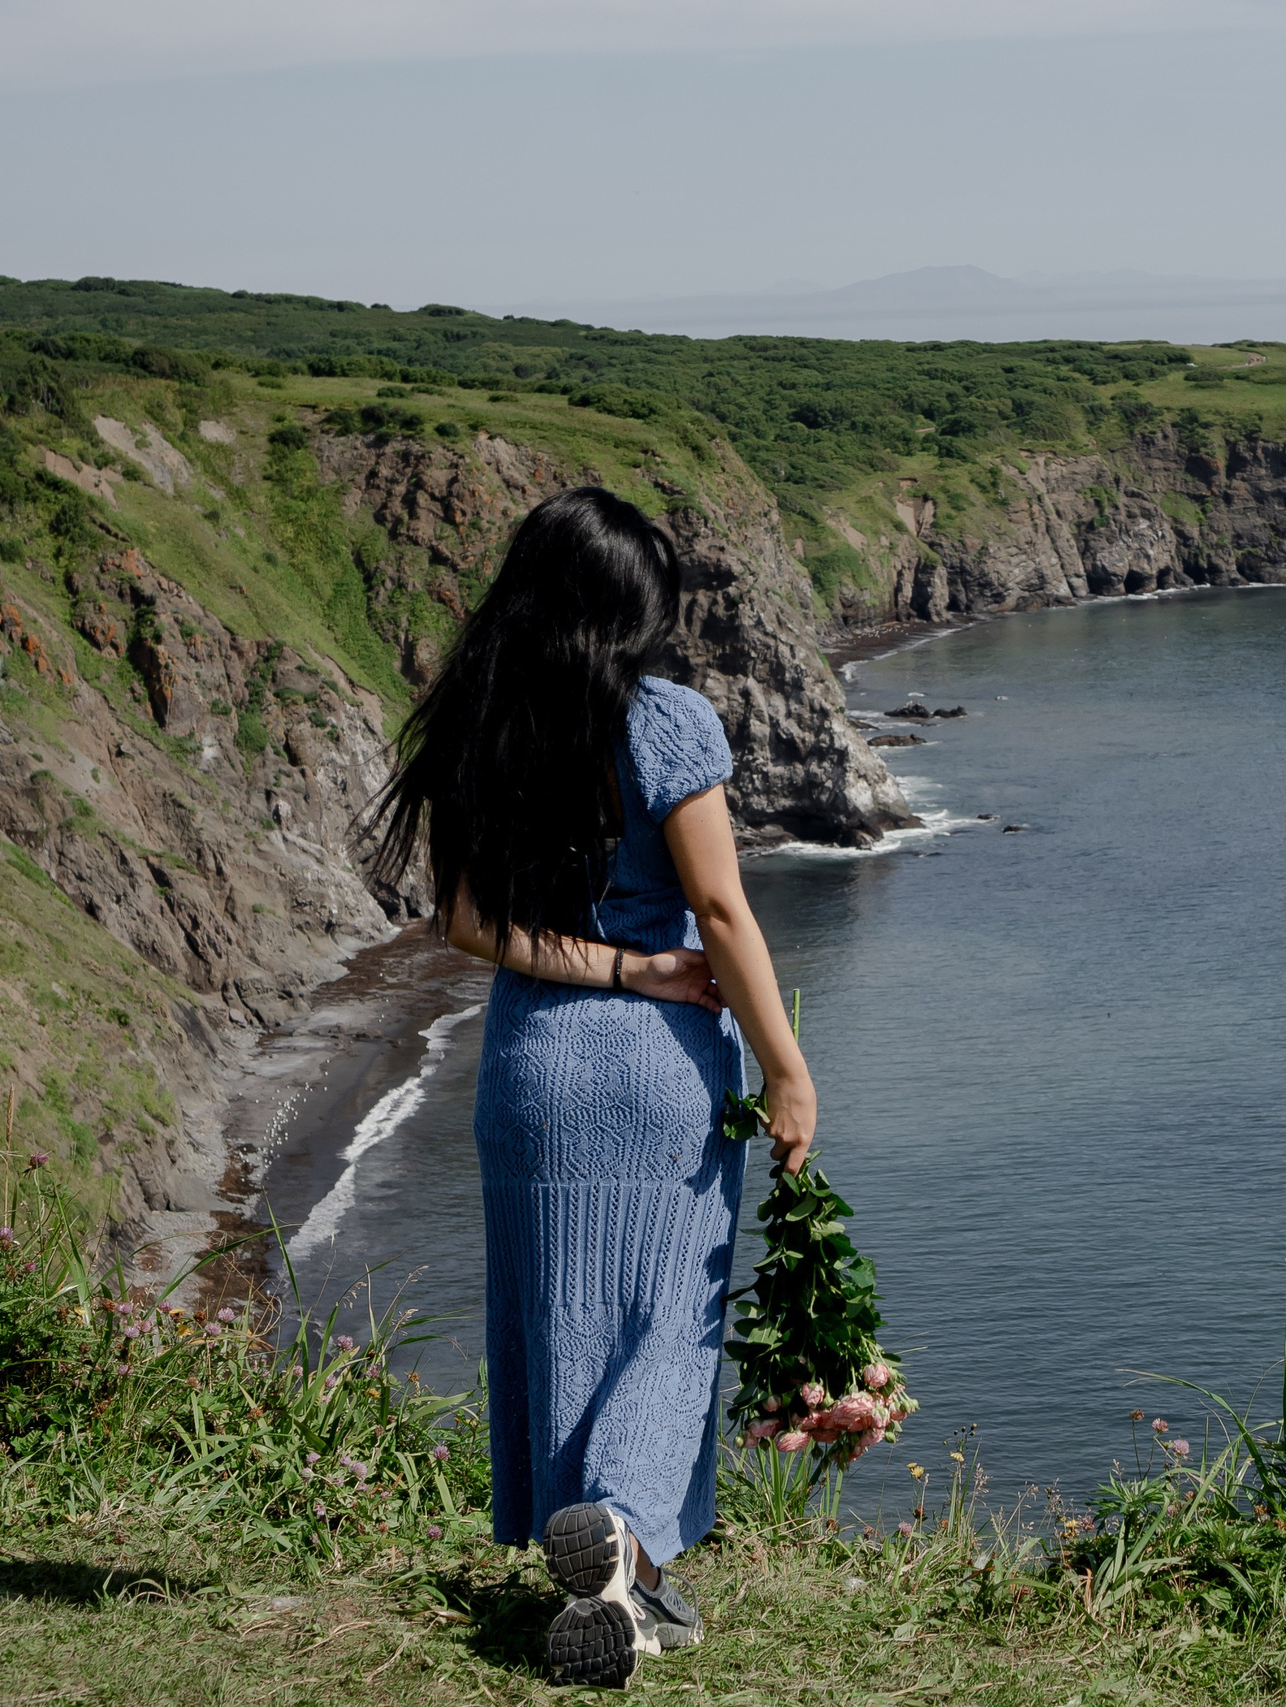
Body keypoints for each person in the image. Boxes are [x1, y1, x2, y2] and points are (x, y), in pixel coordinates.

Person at [368, 486, 816, 1689]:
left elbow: (467, 921)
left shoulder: (474, 721)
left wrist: (611, 965)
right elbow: (720, 911)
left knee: (563, 1315)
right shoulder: (666, 720)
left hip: (530, 1071)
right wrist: (786, 1069)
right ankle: (619, 1530)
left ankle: (622, 1582)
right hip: (655, 1074)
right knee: (669, 1319)